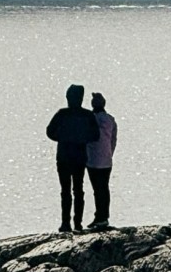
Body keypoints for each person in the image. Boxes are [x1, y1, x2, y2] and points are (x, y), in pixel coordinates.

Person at [44, 83, 100, 233]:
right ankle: (77, 223)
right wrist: (81, 139)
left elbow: (50, 132)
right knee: (78, 189)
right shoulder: (87, 115)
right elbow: (95, 135)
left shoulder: (62, 114)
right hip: (79, 155)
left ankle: (66, 223)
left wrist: (63, 137)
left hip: (64, 155)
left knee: (66, 190)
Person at [86, 92, 118, 230]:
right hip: (107, 159)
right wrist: (110, 152)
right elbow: (113, 139)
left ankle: (99, 217)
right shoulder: (110, 119)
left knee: (97, 189)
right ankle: (103, 217)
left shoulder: (90, 119)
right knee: (104, 188)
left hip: (92, 159)